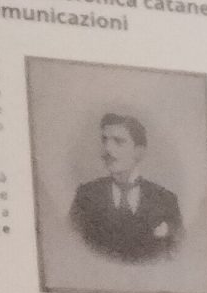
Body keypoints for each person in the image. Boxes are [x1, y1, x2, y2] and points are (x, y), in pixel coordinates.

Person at [68, 111, 182, 261]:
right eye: (105, 140)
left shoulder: (166, 200)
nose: (108, 149)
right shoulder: (85, 196)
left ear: (139, 152)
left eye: (118, 141)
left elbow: (175, 255)